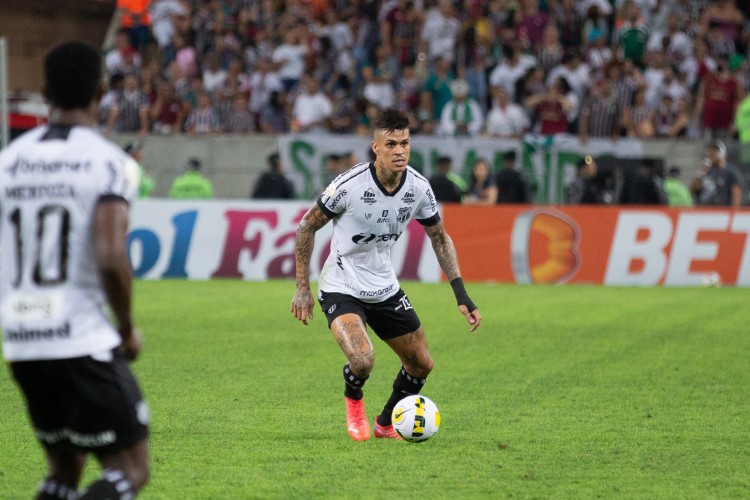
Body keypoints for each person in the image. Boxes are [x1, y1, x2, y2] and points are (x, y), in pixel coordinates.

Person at [0, 41, 149, 499]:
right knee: (130, 469)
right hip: (79, 338)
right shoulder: (109, 163)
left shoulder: (8, 163)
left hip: (22, 341)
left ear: (44, 93)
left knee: (63, 471)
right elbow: (109, 255)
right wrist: (125, 327)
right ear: (101, 91)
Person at [290, 108, 482, 441]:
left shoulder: (419, 188)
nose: (400, 151)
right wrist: (302, 287)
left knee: (422, 364)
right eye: (391, 144)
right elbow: (307, 226)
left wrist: (461, 294)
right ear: (375, 147)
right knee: (363, 360)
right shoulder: (350, 185)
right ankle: (354, 403)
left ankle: (385, 422)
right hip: (341, 286)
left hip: (384, 288)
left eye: (405, 143)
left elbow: (439, 237)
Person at [692, 140, 743, 208]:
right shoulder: (706, 170)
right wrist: (700, 173)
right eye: (709, 151)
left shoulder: (731, 172)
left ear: (722, 153)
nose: (711, 154)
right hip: (705, 211)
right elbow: (693, 190)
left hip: (722, 211)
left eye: (714, 151)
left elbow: (736, 194)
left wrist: (734, 212)